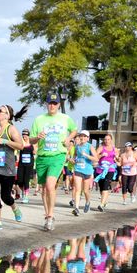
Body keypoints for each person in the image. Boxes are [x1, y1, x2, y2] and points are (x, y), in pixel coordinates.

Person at [29, 92, 77, 231]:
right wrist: (37, 137)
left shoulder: (65, 118)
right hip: (43, 156)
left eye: (55, 104)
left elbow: (74, 130)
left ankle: (50, 216)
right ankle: (47, 215)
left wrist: (69, 139)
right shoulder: (39, 120)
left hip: (58, 155)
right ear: (47, 104)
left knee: (50, 185)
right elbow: (31, 140)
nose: (52, 106)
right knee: (44, 188)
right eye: (50, 103)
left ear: (58, 105)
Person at [0, 104, 25, 231]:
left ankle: (15, 208)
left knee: (6, 197)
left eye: (0, 111)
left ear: (7, 115)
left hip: (7, 168)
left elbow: (20, 146)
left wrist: (5, 141)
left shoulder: (11, 129)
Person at [70, 130, 97, 215]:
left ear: (88, 138)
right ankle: (76, 208)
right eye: (81, 136)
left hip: (87, 170)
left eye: (85, 136)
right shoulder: (77, 146)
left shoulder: (90, 147)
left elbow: (96, 159)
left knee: (85, 191)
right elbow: (75, 155)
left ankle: (88, 202)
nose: (82, 137)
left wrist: (86, 155)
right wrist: (73, 159)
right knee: (78, 189)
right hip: (78, 169)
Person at [16, 128, 35, 203]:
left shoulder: (31, 144)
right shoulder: (20, 144)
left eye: (26, 135)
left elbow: (35, 152)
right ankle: (24, 192)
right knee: (19, 181)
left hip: (29, 165)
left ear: (28, 136)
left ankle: (26, 196)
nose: (24, 136)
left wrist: (34, 150)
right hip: (21, 164)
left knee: (26, 181)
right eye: (23, 135)